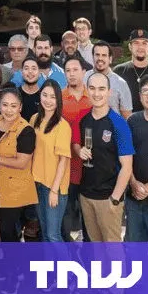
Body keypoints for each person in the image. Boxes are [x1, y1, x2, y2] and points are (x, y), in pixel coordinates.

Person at [0, 88, 37, 294]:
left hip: (14, 189)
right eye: (5, 105)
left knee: (9, 232)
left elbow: (22, 162)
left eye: (14, 106)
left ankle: (15, 276)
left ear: (20, 107)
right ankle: (10, 269)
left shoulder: (25, 130)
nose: (9, 110)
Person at [73, 72, 133, 242]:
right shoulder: (83, 118)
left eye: (101, 89)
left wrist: (114, 199)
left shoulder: (119, 123)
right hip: (86, 195)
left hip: (108, 197)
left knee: (113, 251)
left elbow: (127, 166)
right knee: (94, 247)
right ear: (86, 90)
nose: (96, 93)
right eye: (92, 88)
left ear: (109, 92)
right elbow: (75, 143)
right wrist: (79, 151)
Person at [29, 79, 71, 243]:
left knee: (53, 235)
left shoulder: (62, 126)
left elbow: (63, 161)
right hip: (37, 182)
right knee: (45, 232)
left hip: (54, 186)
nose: (48, 100)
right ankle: (50, 268)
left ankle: (65, 268)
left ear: (58, 100)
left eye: (52, 97)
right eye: (45, 95)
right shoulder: (34, 119)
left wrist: (54, 191)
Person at [61, 55, 92, 241]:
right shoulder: (58, 98)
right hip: (65, 168)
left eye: (75, 70)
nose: (71, 74)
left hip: (90, 169)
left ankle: (89, 256)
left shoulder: (95, 97)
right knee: (65, 218)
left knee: (89, 220)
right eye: (68, 70)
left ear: (83, 72)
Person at [126, 75, 148, 241]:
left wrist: (146, 189)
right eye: (146, 91)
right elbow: (125, 156)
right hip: (134, 198)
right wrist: (134, 183)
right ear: (139, 95)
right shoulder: (132, 121)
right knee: (134, 248)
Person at [86, 41, 133, 118]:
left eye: (104, 55)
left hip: (113, 128)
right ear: (93, 57)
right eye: (97, 55)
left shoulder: (121, 83)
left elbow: (127, 116)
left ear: (110, 59)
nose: (100, 58)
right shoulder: (84, 77)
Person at [114, 29, 148, 113]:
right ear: (130, 47)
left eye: (144, 43)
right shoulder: (118, 71)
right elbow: (112, 103)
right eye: (136, 43)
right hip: (124, 123)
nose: (140, 47)